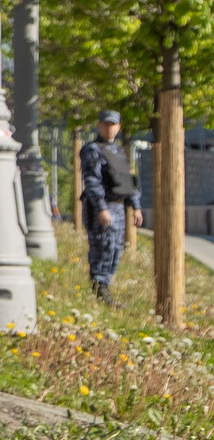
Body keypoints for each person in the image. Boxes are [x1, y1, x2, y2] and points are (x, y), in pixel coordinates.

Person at [79, 110, 141, 301]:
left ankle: (105, 287)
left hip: (118, 206)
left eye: (113, 124)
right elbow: (92, 181)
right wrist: (101, 207)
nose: (109, 128)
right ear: (99, 126)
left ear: (119, 127)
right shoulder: (92, 150)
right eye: (105, 124)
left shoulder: (119, 151)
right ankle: (99, 287)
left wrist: (135, 206)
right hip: (103, 206)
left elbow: (127, 181)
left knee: (115, 248)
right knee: (103, 246)